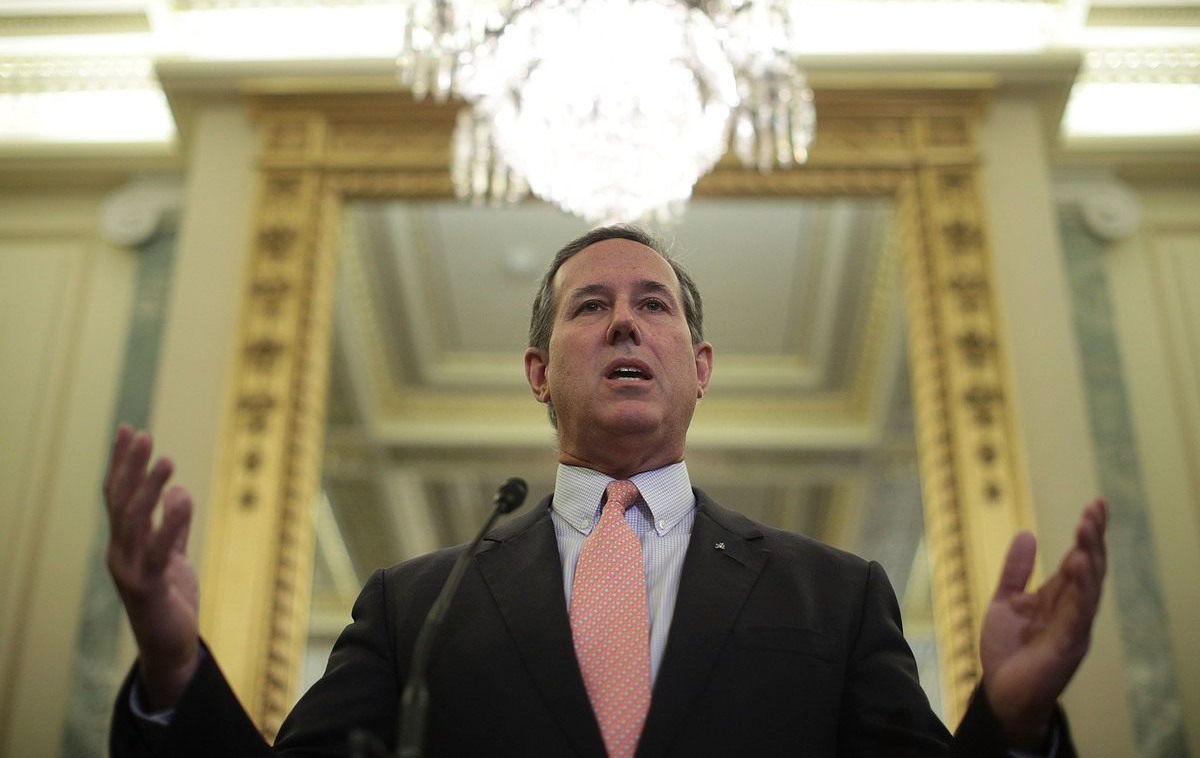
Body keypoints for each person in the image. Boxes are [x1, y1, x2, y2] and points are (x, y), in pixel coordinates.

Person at [106, 225, 1108, 757]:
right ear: (539, 371)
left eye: (652, 305)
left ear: (700, 367)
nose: (625, 323)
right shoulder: (416, 608)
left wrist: (1014, 725)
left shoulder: (835, 596)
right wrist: (171, 661)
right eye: (591, 306)